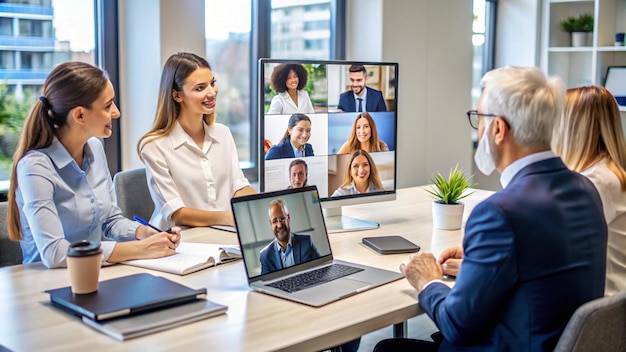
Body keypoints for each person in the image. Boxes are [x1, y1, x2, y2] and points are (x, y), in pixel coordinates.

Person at [374, 66, 608, 352]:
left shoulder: (499, 213)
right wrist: (481, 261)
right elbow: (540, 267)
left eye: (479, 118)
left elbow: (457, 324)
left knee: (388, 348)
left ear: (498, 129)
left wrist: (428, 281)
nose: (478, 127)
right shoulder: (586, 189)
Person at [6, 62, 181, 269]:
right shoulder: (35, 167)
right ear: (79, 115)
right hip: (46, 283)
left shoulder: (95, 148)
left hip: (96, 273)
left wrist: (145, 233)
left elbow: (110, 220)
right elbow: (55, 253)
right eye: (108, 106)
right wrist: (140, 249)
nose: (116, 113)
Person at [137, 52, 256, 230]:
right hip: (180, 242)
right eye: (200, 88)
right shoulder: (155, 146)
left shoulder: (223, 134)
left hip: (223, 234)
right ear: (177, 96)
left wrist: (262, 204)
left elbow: (238, 185)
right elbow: (177, 214)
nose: (212, 92)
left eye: (212, 83)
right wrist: (229, 217)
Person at [552, 85, 626, 296]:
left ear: (571, 129)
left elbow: (552, 245)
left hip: (602, 309)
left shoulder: (595, 182)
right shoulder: (610, 174)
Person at [259, 198, 320, 275]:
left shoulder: (306, 242)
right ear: (270, 224)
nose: (279, 225)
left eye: (282, 219)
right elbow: (265, 283)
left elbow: (322, 268)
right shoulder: (265, 256)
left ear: (288, 218)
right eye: (274, 221)